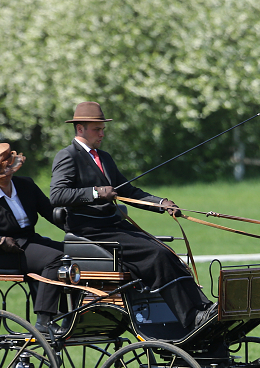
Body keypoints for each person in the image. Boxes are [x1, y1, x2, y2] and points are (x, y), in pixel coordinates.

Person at [49, 101, 215, 331]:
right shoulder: (68, 156)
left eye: (103, 128)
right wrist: (96, 192)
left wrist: (160, 203)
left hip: (113, 225)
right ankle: (189, 318)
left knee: (166, 251)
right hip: (92, 230)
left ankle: (202, 308)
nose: (102, 133)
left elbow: (129, 191)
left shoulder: (104, 157)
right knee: (156, 254)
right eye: (97, 129)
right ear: (80, 129)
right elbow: (57, 195)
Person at [0, 143, 66, 333]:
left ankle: (67, 314)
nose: (7, 174)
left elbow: (51, 213)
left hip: (27, 242)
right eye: (2, 172)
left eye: (9, 168)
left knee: (73, 252)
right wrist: (0, 241)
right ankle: (44, 320)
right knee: (55, 259)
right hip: (0, 253)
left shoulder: (26, 185)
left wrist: (77, 229)